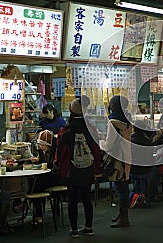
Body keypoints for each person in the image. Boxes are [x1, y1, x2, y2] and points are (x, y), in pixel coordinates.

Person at [56, 98, 101, 238]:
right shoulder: (91, 129)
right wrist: (97, 170)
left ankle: (74, 229)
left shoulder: (65, 130)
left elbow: (60, 152)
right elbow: (96, 151)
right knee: (87, 199)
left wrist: (60, 168)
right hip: (87, 169)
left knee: (72, 200)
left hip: (71, 170)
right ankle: (88, 227)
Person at [100, 95, 133, 228]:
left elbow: (108, 145)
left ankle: (124, 218)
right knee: (124, 188)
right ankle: (123, 215)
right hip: (127, 157)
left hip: (117, 159)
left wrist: (100, 142)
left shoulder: (112, 122)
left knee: (121, 190)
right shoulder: (127, 121)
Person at [29, 129, 61, 224]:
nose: (41, 147)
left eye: (43, 145)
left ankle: (36, 211)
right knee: (35, 183)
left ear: (49, 144)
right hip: (48, 177)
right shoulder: (45, 152)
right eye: (40, 145)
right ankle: (38, 213)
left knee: (37, 184)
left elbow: (52, 166)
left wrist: (41, 158)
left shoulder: (56, 152)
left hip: (57, 178)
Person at [129, 120, 153, 208]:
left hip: (133, 169)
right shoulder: (148, 142)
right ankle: (142, 195)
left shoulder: (130, 141)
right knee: (142, 179)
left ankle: (133, 196)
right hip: (146, 169)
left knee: (115, 184)